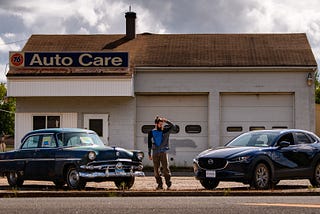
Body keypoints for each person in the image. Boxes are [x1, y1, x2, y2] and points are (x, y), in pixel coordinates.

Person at [148, 116, 178, 190]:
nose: (161, 125)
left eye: (162, 124)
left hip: (163, 152)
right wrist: (149, 154)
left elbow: (174, 127)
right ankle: (160, 185)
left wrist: (166, 121)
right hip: (155, 153)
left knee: (165, 170)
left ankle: (168, 184)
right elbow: (149, 143)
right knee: (156, 171)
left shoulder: (165, 130)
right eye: (160, 124)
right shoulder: (151, 132)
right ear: (156, 124)